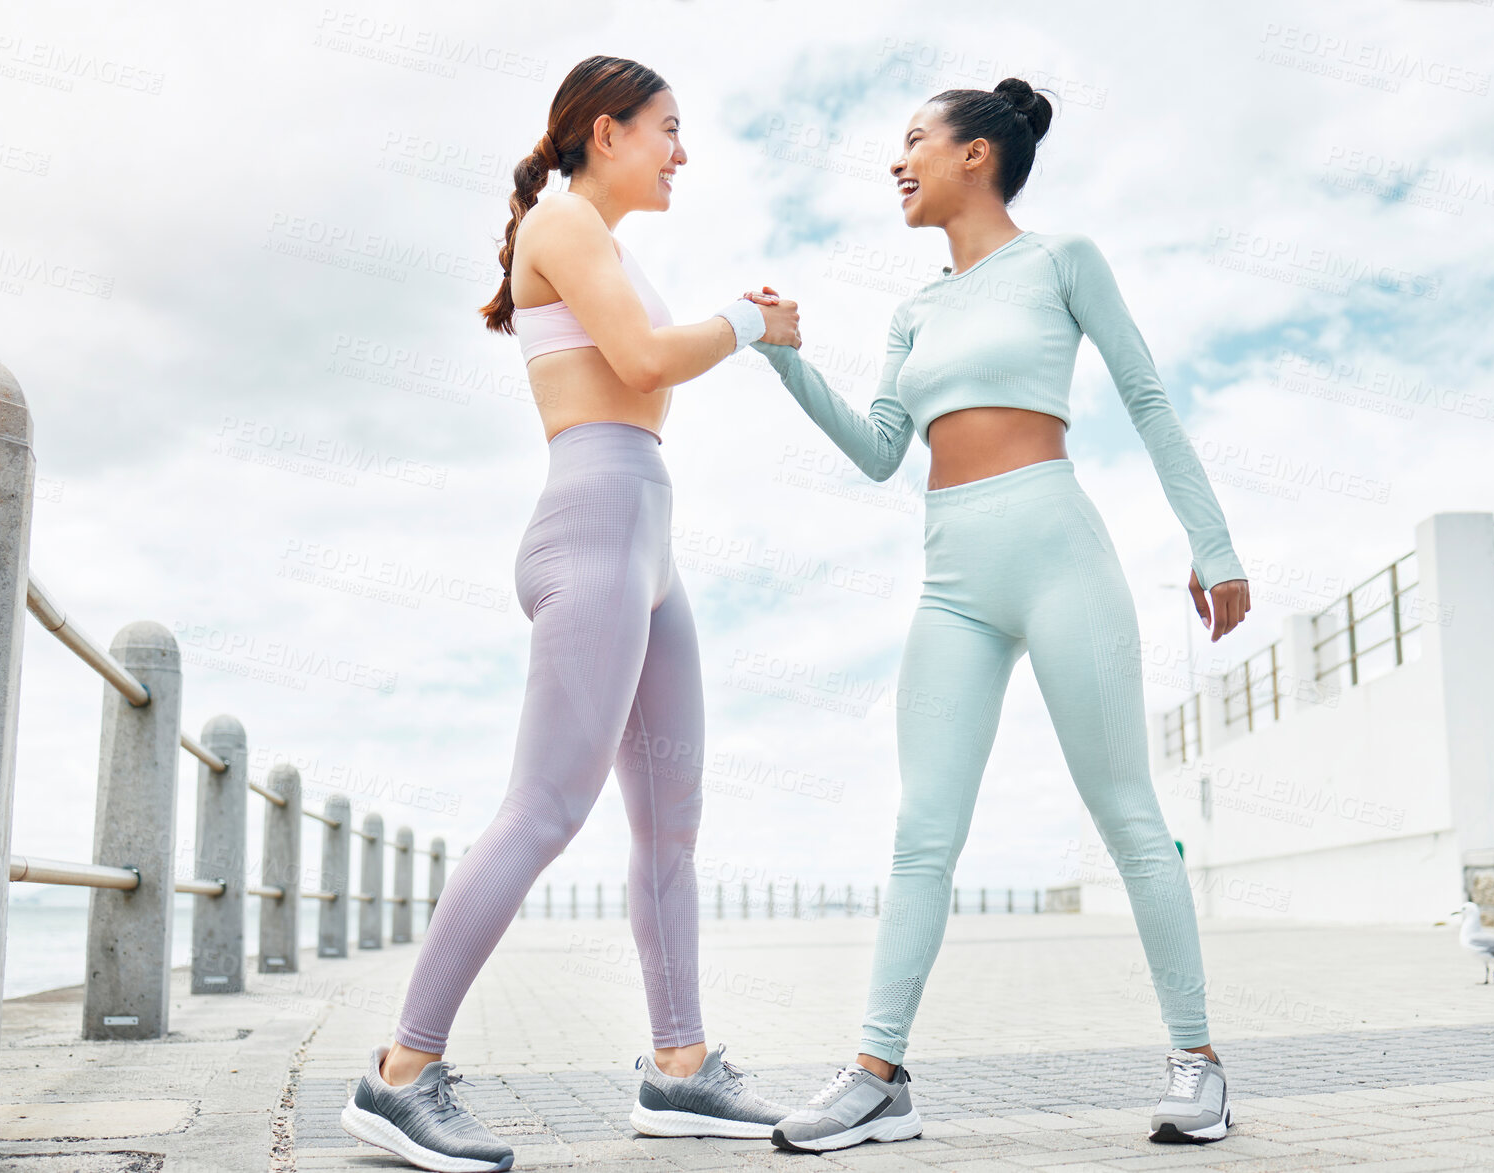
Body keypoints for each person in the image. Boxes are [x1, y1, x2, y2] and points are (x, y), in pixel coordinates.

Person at [745, 78, 1250, 1153]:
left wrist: (1212, 545)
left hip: (1060, 553)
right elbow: (883, 452)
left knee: (1122, 811)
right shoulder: (912, 312)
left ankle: (1195, 1061)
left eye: (915, 139)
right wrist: (784, 355)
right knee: (921, 833)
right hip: (950, 581)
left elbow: (1146, 396)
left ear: (976, 155)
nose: (898, 159)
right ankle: (877, 1077)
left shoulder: (1062, 260)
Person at [338, 55, 800, 1172]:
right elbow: (643, 359)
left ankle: (679, 1070)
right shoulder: (561, 225)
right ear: (606, 131)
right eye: (667, 129)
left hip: (646, 536)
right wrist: (744, 318)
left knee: (671, 829)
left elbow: (643, 369)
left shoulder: (609, 245)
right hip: (592, 526)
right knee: (545, 809)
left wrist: (735, 325)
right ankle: (400, 1074)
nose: (681, 151)